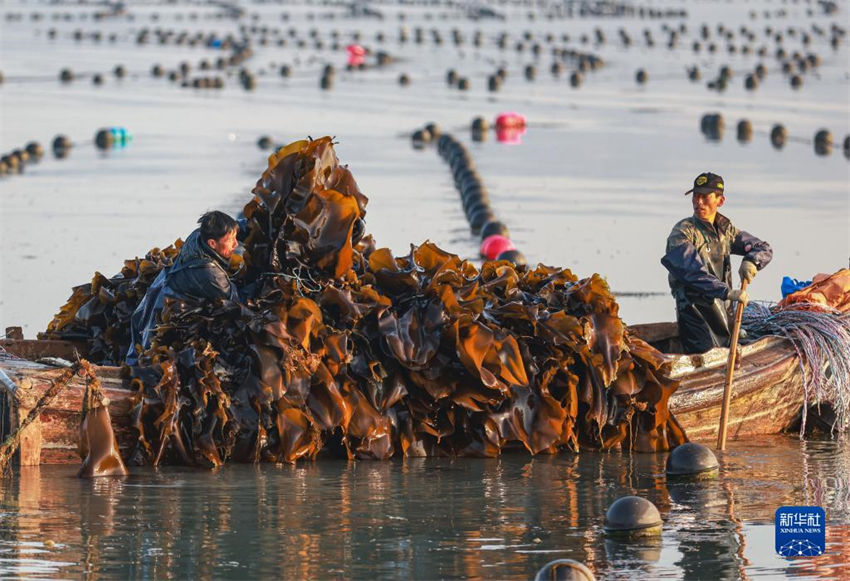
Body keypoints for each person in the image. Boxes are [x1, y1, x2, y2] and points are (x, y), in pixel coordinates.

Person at [661, 172, 773, 354]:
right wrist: (727, 292)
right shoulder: (682, 233)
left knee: (728, 352)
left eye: (705, 197)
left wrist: (752, 261)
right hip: (694, 315)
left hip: (724, 313)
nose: (698, 202)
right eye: (695, 196)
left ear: (720, 201)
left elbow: (762, 247)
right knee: (706, 357)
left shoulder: (725, 230)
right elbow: (692, 274)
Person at [126, 211, 241, 364]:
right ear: (212, 244)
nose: (236, 244)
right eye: (230, 239)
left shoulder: (197, 237)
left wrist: (243, 226)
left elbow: (234, 230)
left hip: (160, 290)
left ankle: (133, 363)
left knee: (138, 348)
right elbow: (236, 300)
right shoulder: (210, 275)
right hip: (166, 312)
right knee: (150, 352)